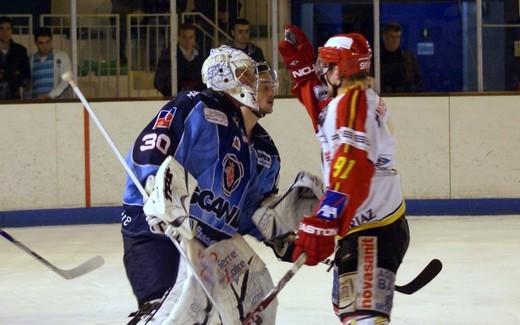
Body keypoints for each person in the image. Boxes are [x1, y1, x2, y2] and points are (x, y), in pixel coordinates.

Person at [122, 45, 323, 324]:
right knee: (169, 313)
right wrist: (155, 188)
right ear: (224, 78)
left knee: (257, 310)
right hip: (159, 229)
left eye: (264, 80)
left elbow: (249, 216)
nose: (266, 87)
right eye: (251, 76)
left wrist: (290, 240)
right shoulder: (196, 107)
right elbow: (149, 150)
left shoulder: (265, 151)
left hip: (213, 245)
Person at [278, 25, 410, 324]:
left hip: (371, 231)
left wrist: (325, 218)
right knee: (347, 308)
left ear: (340, 71)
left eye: (328, 65)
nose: (322, 71)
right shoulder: (355, 100)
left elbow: (352, 166)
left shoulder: (353, 104)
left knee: (362, 318)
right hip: (372, 227)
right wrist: (303, 75)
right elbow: (324, 115)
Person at [154, 23, 205, 97]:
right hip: (174, 99)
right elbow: (160, 81)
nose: (188, 41)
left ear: (194, 38)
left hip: (196, 99)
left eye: (191, 37)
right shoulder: (168, 56)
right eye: (184, 37)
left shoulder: (200, 57)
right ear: (178, 37)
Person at [30, 28, 72, 99]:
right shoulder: (32, 59)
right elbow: (31, 84)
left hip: (55, 102)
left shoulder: (61, 56)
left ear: (51, 41)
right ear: (36, 43)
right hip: (36, 102)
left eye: (48, 42)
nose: (45, 46)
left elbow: (67, 80)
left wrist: (51, 95)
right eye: (41, 43)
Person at [380, 22, 422, 93]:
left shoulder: (410, 59)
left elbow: (418, 82)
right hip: (383, 98)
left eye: (398, 37)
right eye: (392, 37)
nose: (396, 40)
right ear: (384, 37)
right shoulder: (377, 59)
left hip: (406, 99)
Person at [0, 16, 30, 100]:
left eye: (8, 29)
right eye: (1, 28)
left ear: (12, 31)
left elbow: (25, 75)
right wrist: (13, 73)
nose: (4, 32)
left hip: (13, 95)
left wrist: (4, 75)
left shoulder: (20, 50)